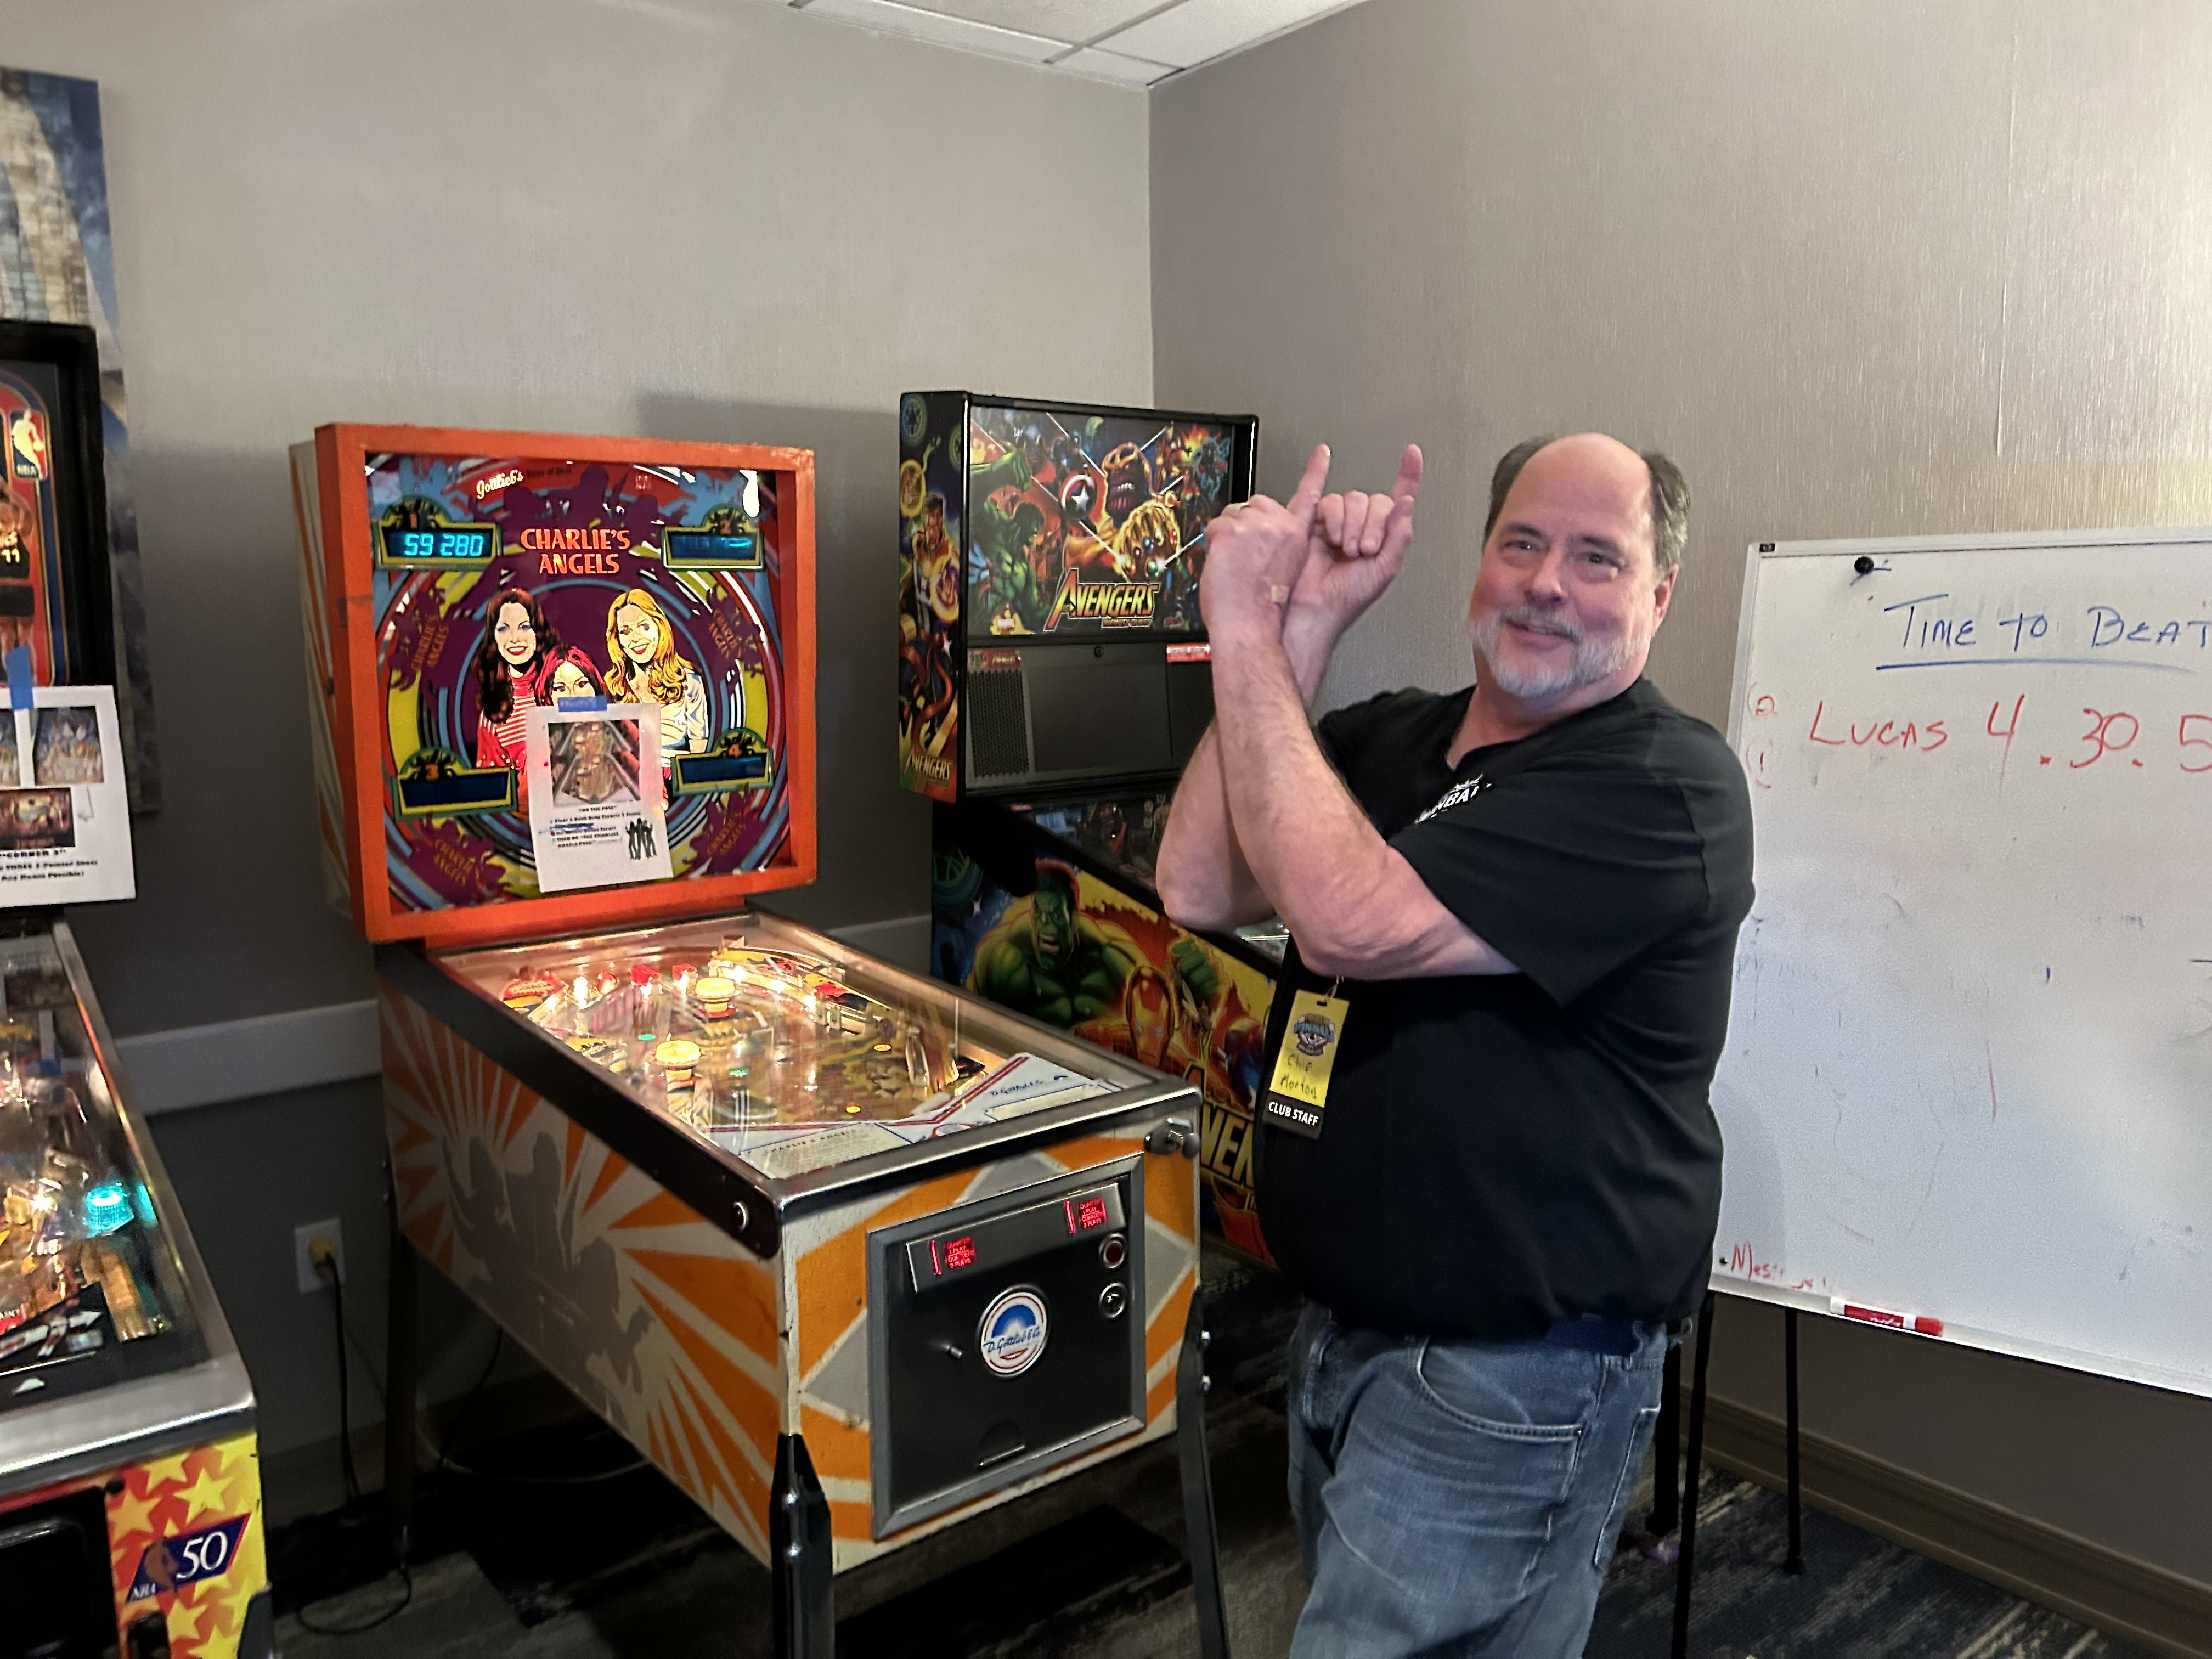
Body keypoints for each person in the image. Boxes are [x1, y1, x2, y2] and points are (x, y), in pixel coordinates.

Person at [1155, 433, 1753, 1656]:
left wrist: (1242, 631)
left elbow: (1343, 917)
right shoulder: (1393, 743)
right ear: (1478, 561)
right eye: (1521, 543)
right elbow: (1196, 884)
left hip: (1509, 1372)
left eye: (1598, 558)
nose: (1546, 583)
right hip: (1345, 1330)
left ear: (1659, 595)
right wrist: (1301, 626)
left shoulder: (1662, 784)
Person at [603, 587, 713, 765]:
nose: (636, 638)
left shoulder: (689, 683)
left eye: (644, 627)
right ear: (618, 640)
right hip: (630, 783)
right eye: (625, 631)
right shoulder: (611, 686)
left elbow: (699, 758)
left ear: (660, 627)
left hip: (674, 781)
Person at [471, 588, 560, 771]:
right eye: (504, 629)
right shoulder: (493, 709)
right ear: (494, 637)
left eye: (524, 627)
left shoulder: (564, 682)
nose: (514, 639)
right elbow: (495, 784)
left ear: (539, 632)